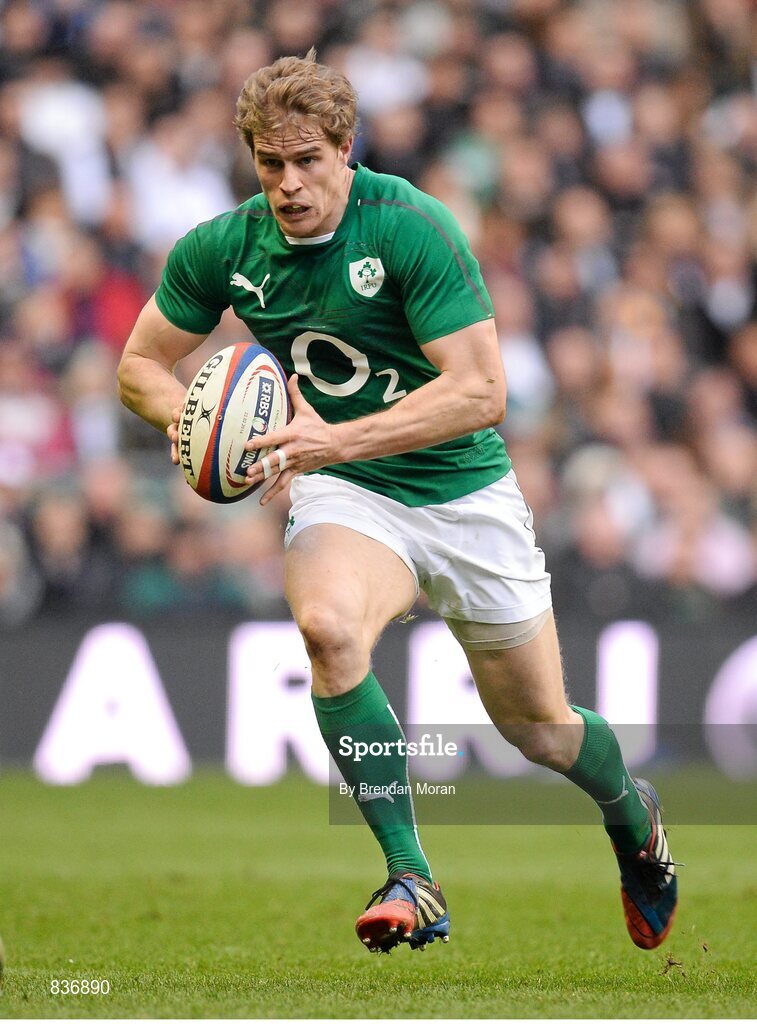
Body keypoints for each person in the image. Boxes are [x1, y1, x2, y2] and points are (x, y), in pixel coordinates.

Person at [118, 50, 678, 955]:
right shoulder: (223, 248)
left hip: (462, 485)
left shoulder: (410, 226)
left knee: (539, 728)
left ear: (347, 150)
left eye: (308, 161)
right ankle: (411, 875)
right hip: (347, 488)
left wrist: (332, 437)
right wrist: (198, 422)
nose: (290, 184)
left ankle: (633, 818)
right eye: (270, 164)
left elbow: (481, 391)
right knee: (329, 630)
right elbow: (139, 365)